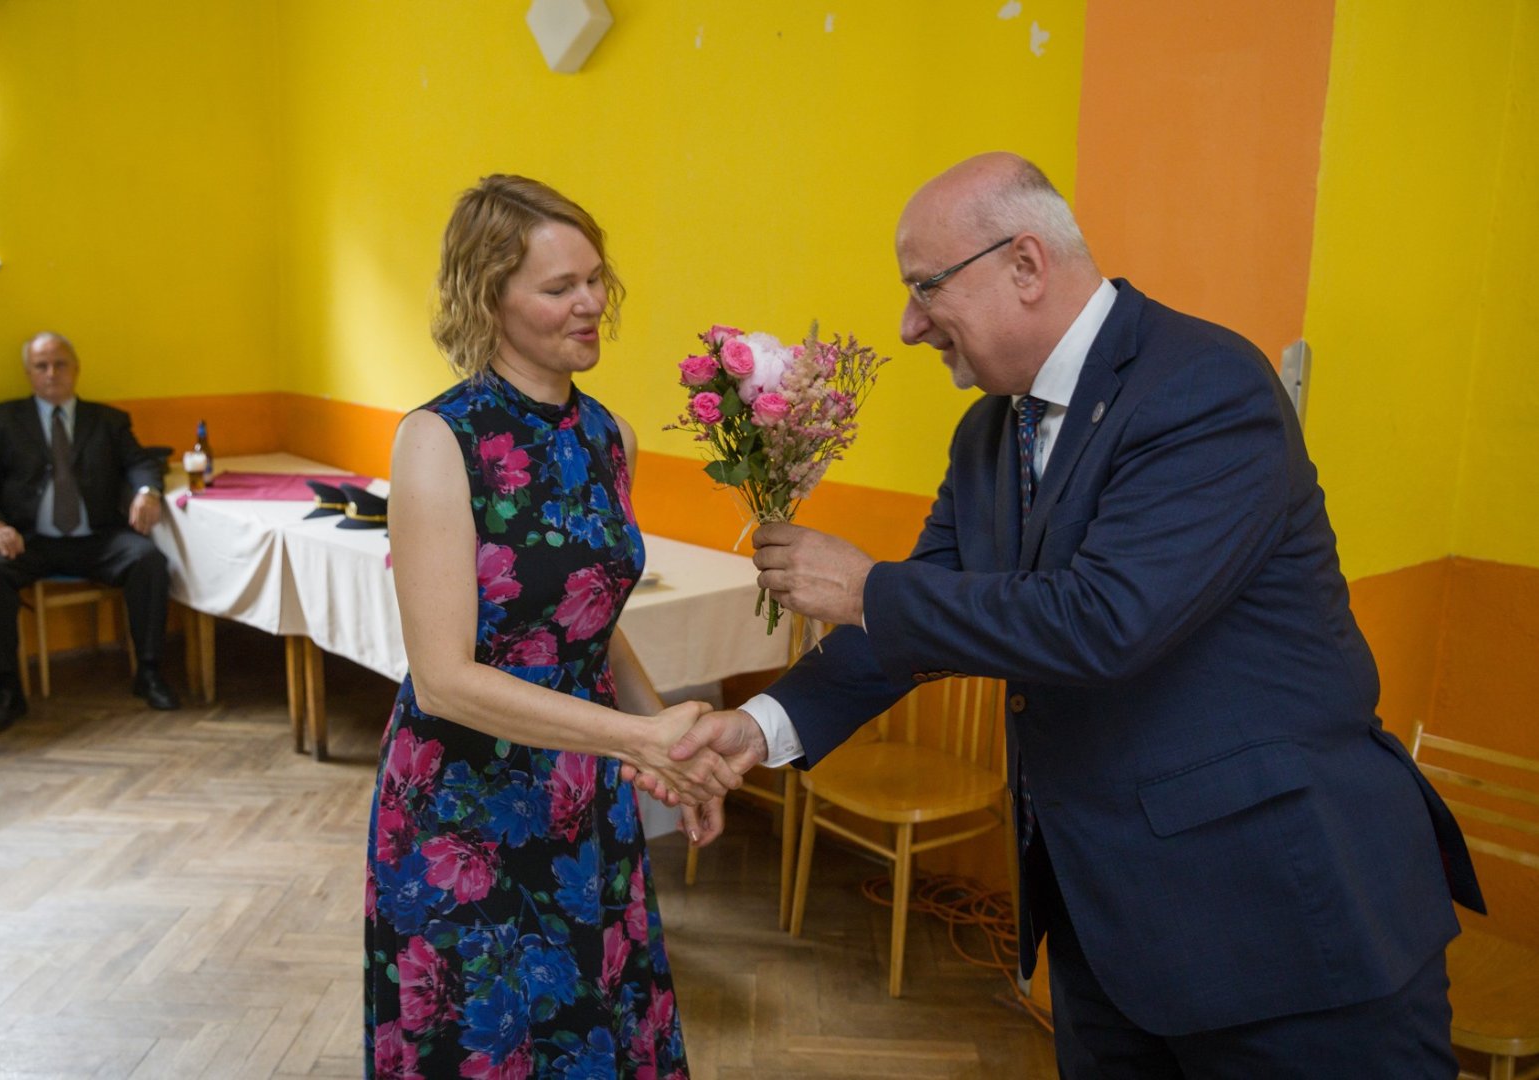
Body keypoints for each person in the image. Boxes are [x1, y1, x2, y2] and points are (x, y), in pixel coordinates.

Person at [637, 153, 1484, 1076]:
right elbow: (924, 616)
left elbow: (1107, 621)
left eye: (924, 287)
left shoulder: (1205, 385)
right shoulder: (988, 432)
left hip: (1285, 923)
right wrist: (760, 726)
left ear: (1026, 265)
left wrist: (864, 587)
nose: (909, 325)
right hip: (1107, 929)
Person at [365, 174, 734, 1079]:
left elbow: (590, 624)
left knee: (589, 1033)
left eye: (596, 279)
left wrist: (670, 747)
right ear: (489, 297)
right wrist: (638, 739)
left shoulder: (610, 438)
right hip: (466, 808)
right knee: (485, 1045)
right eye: (560, 286)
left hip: (582, 799)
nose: (591, 303)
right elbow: (444, 679)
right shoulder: (438, 441)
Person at [0, 332, 179, 735]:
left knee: (149, 561)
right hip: (27, 539)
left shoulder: (109, 421)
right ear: (28, 374)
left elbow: (141, 463)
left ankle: (149, 672)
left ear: (76, 369)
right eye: (41, 366)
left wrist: (148, 492)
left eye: (60, 364)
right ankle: (7, 690)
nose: (51, 374)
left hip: (97, 537)